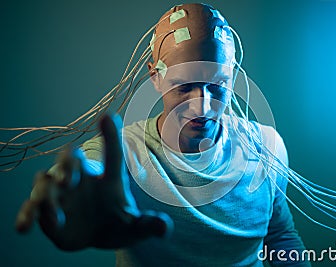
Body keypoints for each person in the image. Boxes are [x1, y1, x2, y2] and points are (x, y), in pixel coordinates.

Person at [15, 3, 310, 266]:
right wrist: (66, 194)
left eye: (218, 84)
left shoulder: (266, 145)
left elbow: (279, 236)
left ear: (232, 74)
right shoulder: (125, 154)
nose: (203, 106)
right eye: (184, 86)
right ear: (155, 76)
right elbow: (91, 169)